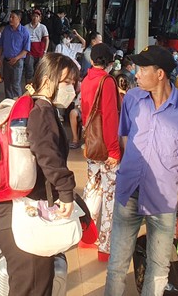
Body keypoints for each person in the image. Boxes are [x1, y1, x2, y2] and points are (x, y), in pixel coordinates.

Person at [105, 46, 178, 296]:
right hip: (128, 190)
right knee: (117, 264)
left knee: (159, 265)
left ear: (160, 74)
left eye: (142, 69)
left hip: (164, 198)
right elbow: (125, 138)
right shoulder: (132, 99)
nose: (137, 75)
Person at [0, 53, 79, 296]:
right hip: (22, 214)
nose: (71, 89)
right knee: (32, 286)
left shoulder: (33, 105)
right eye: (67, 82)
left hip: (16, 208)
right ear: (48, 81)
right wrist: (66, 192)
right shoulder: (41, 112)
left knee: (33, 282)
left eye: (73, 83)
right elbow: (48, 156)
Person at [80, 43, 121, 262]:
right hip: (105, 147)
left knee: (92, 190)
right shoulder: (107, 82)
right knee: (110, 197)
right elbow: (110, 118)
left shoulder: (86, 80)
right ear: (108, 61)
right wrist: (114, 151)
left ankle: (85, 235)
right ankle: (105, 247)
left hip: (91, 144)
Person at [0, 10, 31, 99]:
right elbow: (1, 45)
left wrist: (16, 58)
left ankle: (18, 104)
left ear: (19, 19)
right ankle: (9, 103)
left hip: (18, 61)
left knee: (15, 84)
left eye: (13, 17)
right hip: (6, 60)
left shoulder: (24, 32)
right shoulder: (6, 30)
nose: (10, 19)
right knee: (7, 84)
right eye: (10, 17)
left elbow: (26, 49)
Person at [24, 9, 50, 82]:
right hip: (29, 50)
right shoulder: (26, 27)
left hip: (40, 50)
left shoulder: (43, 27)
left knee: (38, 70)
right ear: (31, 17)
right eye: (34, 16)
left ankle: (37, 87)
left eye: (37, 16)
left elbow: (47, 39)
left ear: (39, 18)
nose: (35, 18)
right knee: (29, 70)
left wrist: (45, 51)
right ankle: (28, 87)